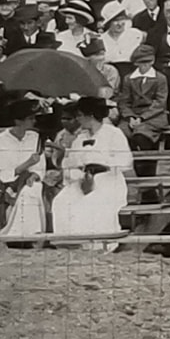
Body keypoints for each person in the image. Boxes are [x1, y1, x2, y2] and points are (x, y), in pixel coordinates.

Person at [50, 97, 133, 245]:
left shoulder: (114, 134)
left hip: (108, 179)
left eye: (80, 115)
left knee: (92, 202)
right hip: (83, 178)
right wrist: (80, 176)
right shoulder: (80, 138)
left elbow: (125, 161)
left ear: (91, 115)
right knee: (62, 201)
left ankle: (96, 244)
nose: (78, 119)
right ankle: (68, 243)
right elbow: (69, 164)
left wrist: (100, 161)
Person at [0, 97, 48, 245]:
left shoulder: (35, 138)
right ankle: (14, 235)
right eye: (30, 118)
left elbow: (40, 166)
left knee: (31, 190)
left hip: (28, 179)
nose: (34, 122)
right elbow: (3, 171)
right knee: (13, 192)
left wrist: (35, 175)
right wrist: (28, 163)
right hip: (4, 181)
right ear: (18, 121)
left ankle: (31, 235)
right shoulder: (0, 140)